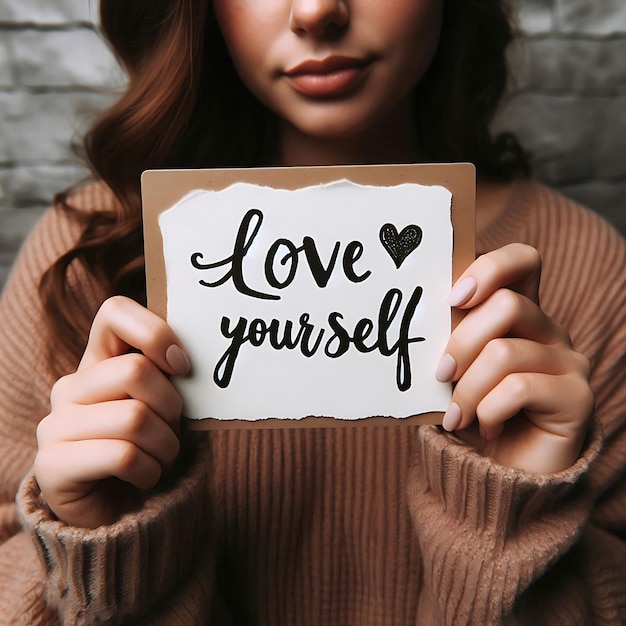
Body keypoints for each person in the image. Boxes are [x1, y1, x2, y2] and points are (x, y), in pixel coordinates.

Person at [0, 0, 624, 623]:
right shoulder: (86, 266)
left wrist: (510, 525)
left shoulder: (587, 272)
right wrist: (99, 552)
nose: (317, 10)